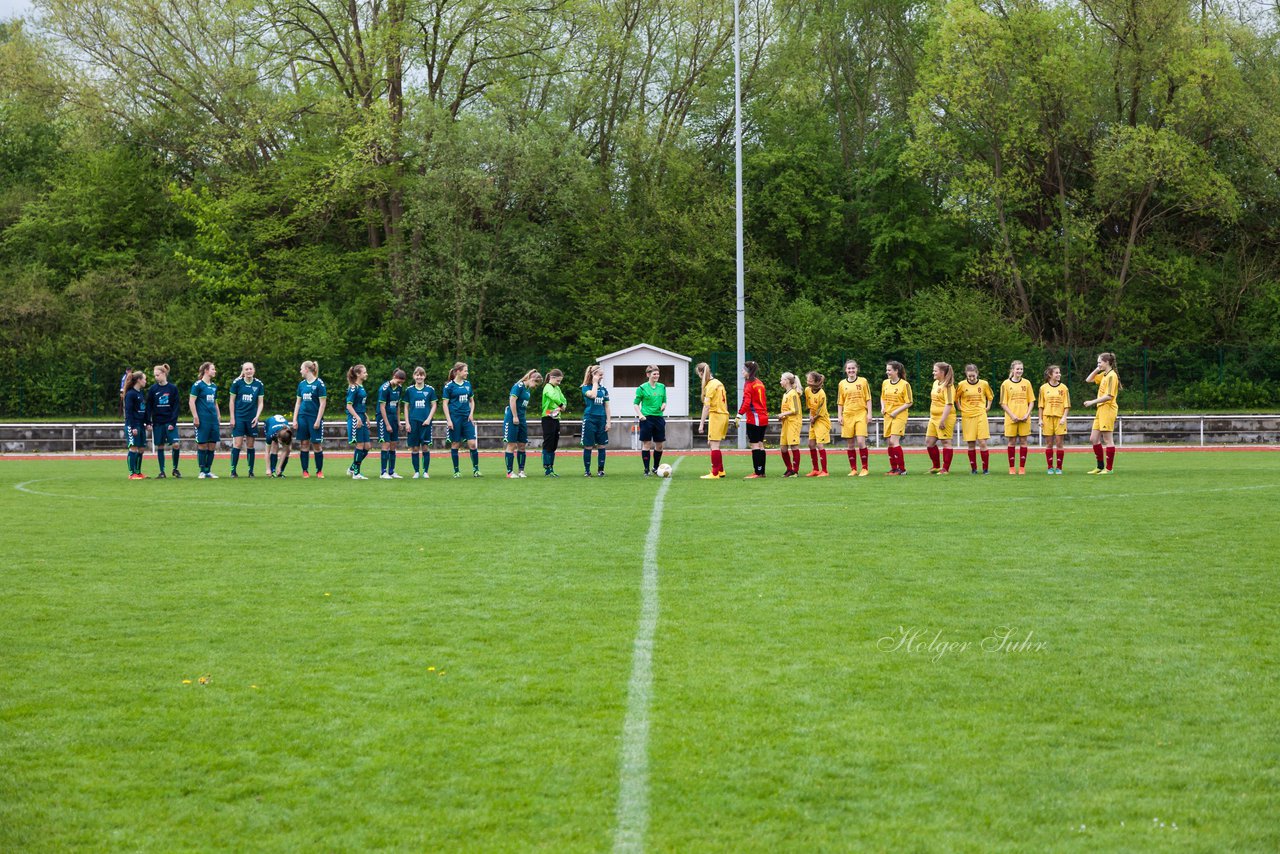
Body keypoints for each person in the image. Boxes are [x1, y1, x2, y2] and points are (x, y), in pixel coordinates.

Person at [1084, 353, 1121, 474]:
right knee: (1094, 439)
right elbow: (1088, 379)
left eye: (1100, 362)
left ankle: (1109, 469)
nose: (1098, 364)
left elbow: (1109, 396)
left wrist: (1092, 402)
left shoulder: (1112, 376)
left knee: (1107, 439)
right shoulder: (1104, 375)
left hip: (1108, 409)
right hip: (1101, 409)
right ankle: (1100, 466)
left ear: (1107, 362)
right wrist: (1097, 369)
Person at [444, 362, 481, 478]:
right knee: (455, 444)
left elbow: (472, 401)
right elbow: (445, 404)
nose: (467, 373)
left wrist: (471, 414)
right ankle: (456, 471)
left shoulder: (468, 384)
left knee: (472, 444)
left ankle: (476, 470)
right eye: (465, 370)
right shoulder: (449, 386)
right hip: (455, 418)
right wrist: (449, 420)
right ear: (458, 372)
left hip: (466, 418)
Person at [955, 364, 994, 474]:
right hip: (967, 416)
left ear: (977, 374)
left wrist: (988, 406)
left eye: (973, 376)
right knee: (971, 443)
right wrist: (960, 408)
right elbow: (955, 398)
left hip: (981, 414)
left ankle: (985, 469)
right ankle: (974, 469)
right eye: (969, 376)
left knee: (982, 442)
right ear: (966, 375)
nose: (971, 378)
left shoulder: (984, 384)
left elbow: (990, 396)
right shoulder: (961, 385)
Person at [504, 369, 543, 478]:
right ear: (531, 379)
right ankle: (510, 472)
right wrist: (515, 416)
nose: (535, 386)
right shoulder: (518, 386)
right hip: (513, 418)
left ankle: (521, 471)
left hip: (522, 419)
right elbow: (512, 400)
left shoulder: (527, 390)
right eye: (536, 383)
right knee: (511, 444)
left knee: (522, 445)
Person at [292, 361, 328, 479]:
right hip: (302, 417)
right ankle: (305, 471)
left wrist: (318, 420)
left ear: (307, 369)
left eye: (301, 369)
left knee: (316, 444)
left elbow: (322, 404)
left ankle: (319, 471)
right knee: (304, 443)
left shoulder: (319, 384)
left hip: (314, 418)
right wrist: (295, 419)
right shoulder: (301, 385)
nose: (300, 371)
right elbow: (298, 403)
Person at [229, 362, 265, 478]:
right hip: (239, 417)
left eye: (250, 369)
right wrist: (232, 417)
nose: (248, 371)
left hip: (252, 418)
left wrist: (257, 416)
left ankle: (251, 471)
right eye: (246, 369)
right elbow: (232, 401)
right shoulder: (237, 383)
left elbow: (260, 402)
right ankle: (233, 470)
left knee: (250, 445)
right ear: (243, 371)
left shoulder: (259, 384)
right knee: (238, 444)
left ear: (254, 370)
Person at [837, 360, 872, 476]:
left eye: (853, 368)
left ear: (857, 369)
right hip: (847, 415)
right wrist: (839, 415)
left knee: (861, 441)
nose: (851, 370)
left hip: (861, 413)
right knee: (850, 444)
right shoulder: (842, 383)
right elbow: (840, 401)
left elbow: (868, 398)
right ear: (845, 370)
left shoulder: (863, 381)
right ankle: (853, 469)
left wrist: (869, 413)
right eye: (849, 368)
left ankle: (864, 468)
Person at [1001, 360, 1036, 475]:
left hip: (1024, 418)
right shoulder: (1005, 384)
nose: (1019, 371)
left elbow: (1031, 401)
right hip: (1011, 418)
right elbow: (1003, 403)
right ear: (1012, 370)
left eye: (1021, 369)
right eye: (1017, 369)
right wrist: (1012, 415)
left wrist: (1027, 414)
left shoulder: (1027, 383)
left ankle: (1022, 468)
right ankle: (1011, 468)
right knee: (1011, 442)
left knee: (1023, 442)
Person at [147, 363, 182, 478]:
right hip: (158, 423)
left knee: (176, 445)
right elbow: (149, 407)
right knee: (160, 446)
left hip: (169, 422)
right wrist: (148, 422)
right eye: (155, 376)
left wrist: (173, 422)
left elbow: (176, 407)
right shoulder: (153, 389)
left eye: (157, 375)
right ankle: (162, 471)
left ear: (163, 374)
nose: (156, 377)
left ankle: (175, 469)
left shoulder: (173, 388)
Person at [695, 362, 728, 479]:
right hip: (723, 414)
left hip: (716, 415)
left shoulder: (710, 386)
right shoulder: (718, 383)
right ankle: (721, 470)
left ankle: (714, 473)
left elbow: (707, 406)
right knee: (714, 444)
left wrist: (701, 424)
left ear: (701, 373)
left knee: (714, 445)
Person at [633, 365, 668, 476]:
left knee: (659, 445)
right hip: (646, 419)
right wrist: (640, 415)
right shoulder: (642, 388)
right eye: (654, 374)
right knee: (647, 444)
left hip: (659, 418)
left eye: (657, 374)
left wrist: (663, 405)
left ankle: (656, 468)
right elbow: (635, 404)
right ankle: (646, 469)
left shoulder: (662, 387)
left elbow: (664, 401)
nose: (656, 376)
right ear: (648, 375)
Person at [188, 362, 221, 478]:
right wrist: (195, 416)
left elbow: (215, 402)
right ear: (206, 370)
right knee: (202, 445)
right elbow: (191, 401)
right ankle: (202, 471)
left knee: (212, 445)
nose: (215, 371)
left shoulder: (214, 386)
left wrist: (218, 414)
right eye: (213, 369)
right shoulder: (198, 385)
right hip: (203, 420)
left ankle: (208, 470)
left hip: (213, 420)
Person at [405, 367, 438, 479]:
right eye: (417, 375)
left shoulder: (430, 390)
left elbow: (434, 405)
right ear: (414, 376)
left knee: (425, 447)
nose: (419, 377)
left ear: (425, 376)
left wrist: (429, 419)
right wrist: (407, 422)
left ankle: (425, 471)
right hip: (413, 422)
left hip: (425, 422)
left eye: (421, 375)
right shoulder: (409, 390)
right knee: (414, 448)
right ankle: (416, 472)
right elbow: (406, 407)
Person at [738, 360, 768, 478]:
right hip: (763, 417)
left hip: (754, 418)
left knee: (754, 445)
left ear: (748, 371)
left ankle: (757, 472)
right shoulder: (759, 383)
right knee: (760, 444)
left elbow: (746, 402)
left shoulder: (749, 384)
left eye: (743, 369)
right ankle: (762, 472)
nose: (742, 371)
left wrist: (739, 415)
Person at [881, 361, 912, 475]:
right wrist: (883, 407)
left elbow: (909, 402)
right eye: (887, 370)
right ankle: (894, 468)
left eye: (889, 370)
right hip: (888, 416)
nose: (887, 372)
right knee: (890, 442)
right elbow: (882, 397)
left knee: (894, 441)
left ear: (896, 371)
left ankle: (902, 469)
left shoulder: (905, 385)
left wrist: (896, 411)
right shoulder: (885, 383)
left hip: (899, 416)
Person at [925, 362, 956, 474]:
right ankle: (936, 466)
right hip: (933, 417)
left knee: (946, 442)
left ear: (942, 372)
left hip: (945, 418)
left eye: (935, 371)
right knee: (929, 442)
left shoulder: (948, 386)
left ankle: (945, 469)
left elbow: (949, 404)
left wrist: (942, 420)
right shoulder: (935, 383)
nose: (933, 372)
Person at [1039, 365, 1071, 474]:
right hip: (1047, 418)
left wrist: (1064, 417)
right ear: (1050, 375)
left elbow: (1067, 405)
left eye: (1059, 372)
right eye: (1056, 373)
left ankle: (1059, 468)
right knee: (1049, 444)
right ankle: (1049, 467)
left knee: (1059, 444)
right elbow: (1041, 406)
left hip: (1059, 419)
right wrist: (1040, 419)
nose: (1059, 374)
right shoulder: (1043, 388)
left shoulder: (1064, 388)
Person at [580, 365, 611, 476]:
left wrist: (608, 421)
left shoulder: (604, 390)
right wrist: (594, 383)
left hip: (601, 420)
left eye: (602, 375)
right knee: (588, 445)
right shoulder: (585, 388)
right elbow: (593, 395)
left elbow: (607, 406)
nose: (602, 377)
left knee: (602, 445)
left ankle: (600, 470)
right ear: (593, 375)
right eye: (600, 375)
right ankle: (587, 471)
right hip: (590, 419)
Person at [377, 368, 407, 479]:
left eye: (401, 383)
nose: (400, 384)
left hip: (393, 417)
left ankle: (391, 471)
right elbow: (382, 407)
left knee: (393, 444)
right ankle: (383, 472)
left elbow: (398, 405)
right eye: (399, 381)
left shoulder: (399, 388)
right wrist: (387, 424)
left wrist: (399, 421)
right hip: (384, 418)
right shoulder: (384, 389)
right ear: (394, 377)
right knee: (386, 444)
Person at [345, 364, 371, 480]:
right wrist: (358, 418)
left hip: (361, 417)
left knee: (367, 447)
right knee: (359, 445)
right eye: (364, 372)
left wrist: (365, 416)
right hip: (355, 418)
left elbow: (360, 405)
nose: (366, 374)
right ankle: (356, 473)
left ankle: (352, 468)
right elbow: (349, 406)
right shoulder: (353, 388)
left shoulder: (361, 387)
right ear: (358, 374)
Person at [539, 369, 567, 477]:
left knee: (554, 444)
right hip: (547, 418)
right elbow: (554, 397)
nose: (559, 383)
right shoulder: (548, 387)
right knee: (548, 443)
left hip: (556, 418)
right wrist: (560, 405)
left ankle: (551, 467)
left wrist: (564, 405)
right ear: (552, 378)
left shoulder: (557, 388)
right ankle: (547, 468)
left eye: (560, 381)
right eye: (558, 381)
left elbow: (563, 398)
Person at [124, 370, 148, 479]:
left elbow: (143, 409)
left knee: (141, 449)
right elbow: (128, 412)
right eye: (144, 379)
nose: (145, 381)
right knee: (133, 448)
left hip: (141, 424)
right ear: (138, 380)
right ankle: (131, 473)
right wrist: (133, 426)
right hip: (133, 425)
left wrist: (148, 422)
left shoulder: (140, 393)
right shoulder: (130, 394)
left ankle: (138, 472)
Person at [778, 372, 803, 477]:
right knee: (783, 448)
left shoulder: (793, 393)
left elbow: (795, 410)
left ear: (787, 381)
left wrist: (783, 414)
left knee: (794, 446)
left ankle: (795, 471)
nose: (780, 381)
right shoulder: (785, 394)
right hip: (786, 423)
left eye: (782, 379)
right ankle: (789, 469)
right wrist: (782, 416)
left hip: (793, 423)